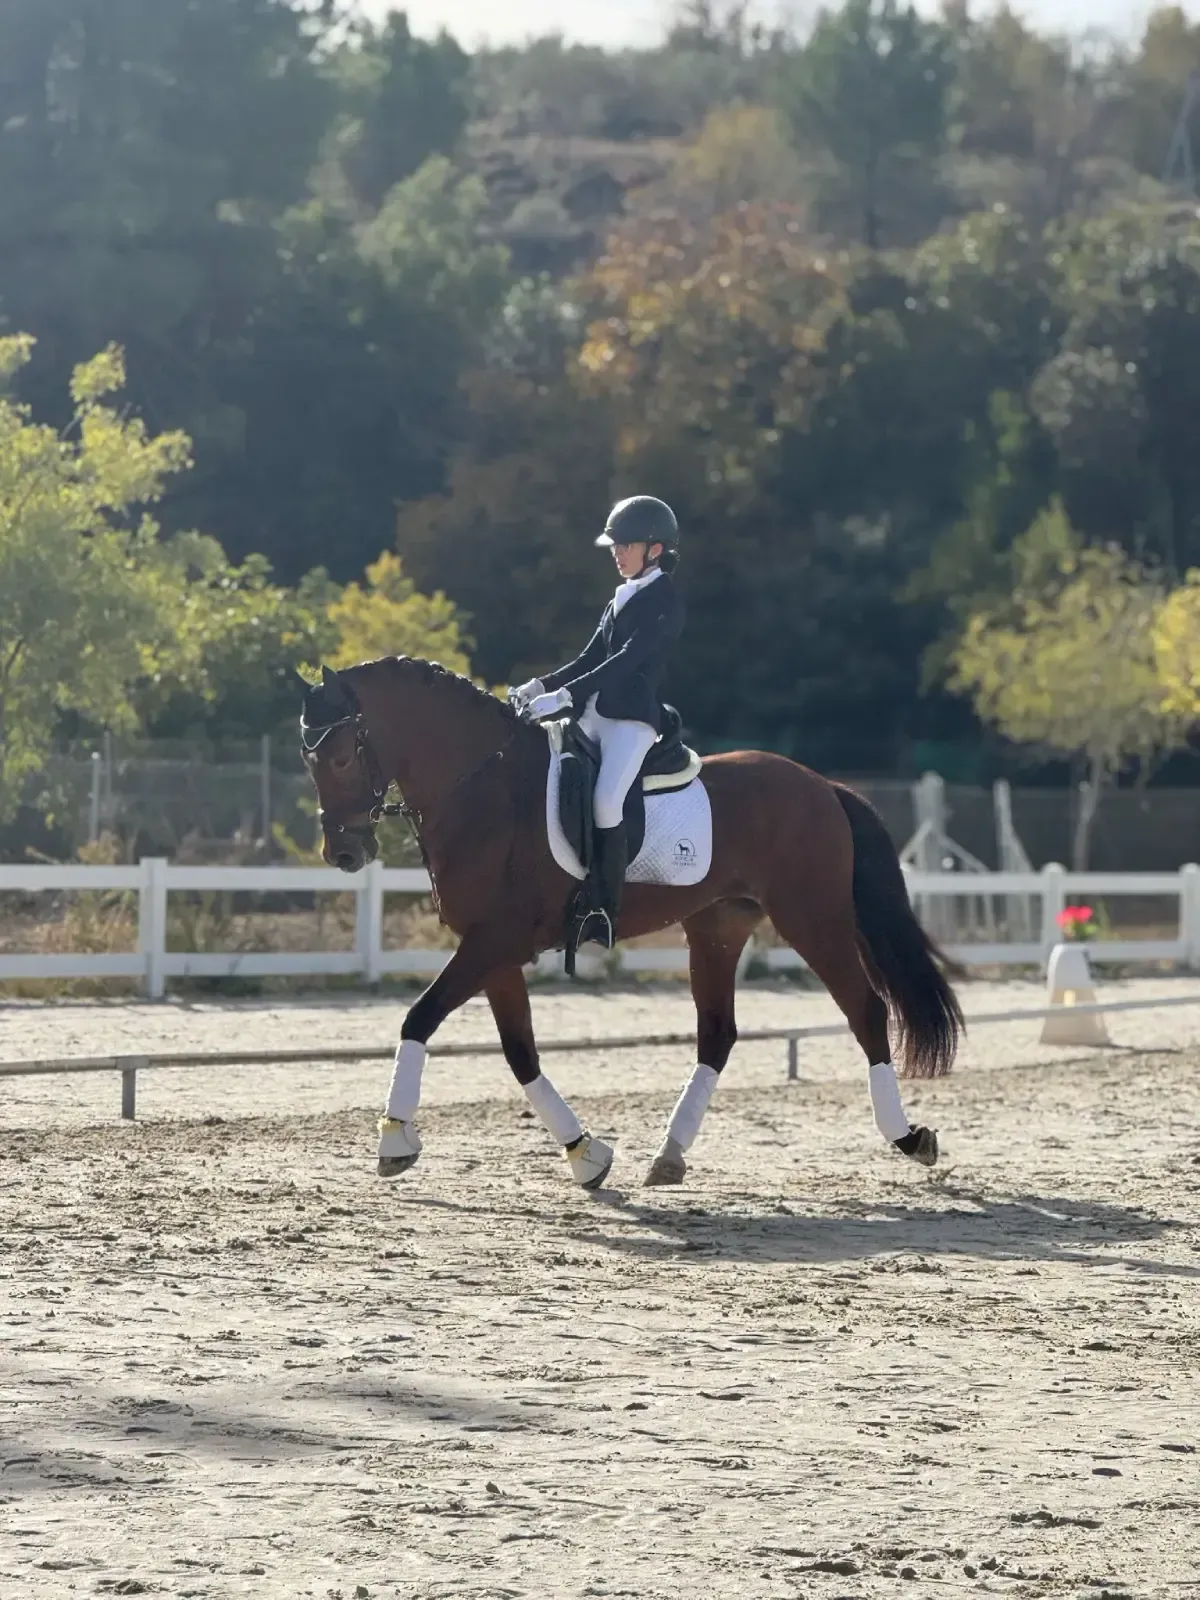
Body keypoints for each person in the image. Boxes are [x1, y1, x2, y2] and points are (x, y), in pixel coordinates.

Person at [513, 495, 685, 948]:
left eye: (625, 545)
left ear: (655, 549)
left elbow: (628, 661)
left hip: (631, 721)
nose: (616, 551)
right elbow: (591, 657)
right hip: (593, 716)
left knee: (607, 801)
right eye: (615, 544)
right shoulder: (623, 596)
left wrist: (565, 697)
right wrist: (540, 686)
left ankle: (602, 911)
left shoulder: (664, 600)